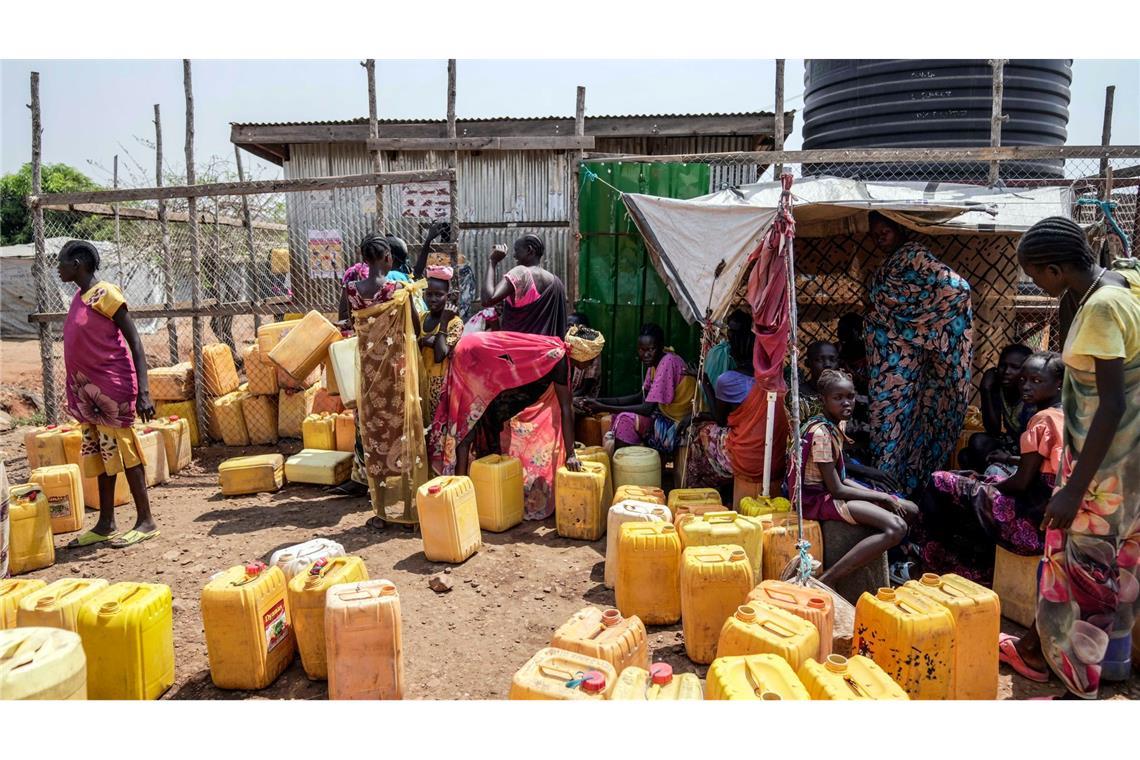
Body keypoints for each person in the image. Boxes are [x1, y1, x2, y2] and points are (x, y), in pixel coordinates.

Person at [1000, 217, 1139, 700]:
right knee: (1120, 568)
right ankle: (1113, 666)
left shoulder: (1100, 307)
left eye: (1036, 275)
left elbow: (1111, 404)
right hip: (1128, 464)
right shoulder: (1125, 281)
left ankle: (1077, 689)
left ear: (1056, 270)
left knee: (1084, 579)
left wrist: (1074, 490)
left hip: (1101, 474)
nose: (1036, 284)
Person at [916, 351, 1064, 584]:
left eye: (1036, 381)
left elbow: (1021, 483)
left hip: (1030, 519)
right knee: (965, 478)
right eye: (1023, 379)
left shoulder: (1043, 419)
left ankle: (932, 563)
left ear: (1059, 383)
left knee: (940, 481)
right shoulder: (1070, 416)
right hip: (1050, 512)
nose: (1026, 386)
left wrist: (987, 487)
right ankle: (973, 569)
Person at [56, 240, 158, 549]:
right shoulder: (79, 297)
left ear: (77, 264)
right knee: (102, 454)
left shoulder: (107, 294)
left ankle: (146, 521)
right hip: (89, 394)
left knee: (125, 453)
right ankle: (105, 523)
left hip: (112, 388)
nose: (58, 268)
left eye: (61, 262)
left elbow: (135, 342)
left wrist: (144, 391)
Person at [864, 211, 974, 496]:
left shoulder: (913, 256)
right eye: (874, 235)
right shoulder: (893, 262)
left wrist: (909, 324)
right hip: (889, 369)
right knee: (886, 424)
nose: (879, 238)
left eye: (884, 231)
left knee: (899, 426)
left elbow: (958, 289)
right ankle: (888, 493)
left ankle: (897, 494)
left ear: (900, 228)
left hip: (901, 366)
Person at [431, 331, 581, 521]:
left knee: (485, 427)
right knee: (467, 425)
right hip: (475, 355)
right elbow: (566, 408)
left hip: (486, 357)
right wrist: (571, 453)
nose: (591, 365)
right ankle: (459, 494)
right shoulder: (559, 360)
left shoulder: (553, 348)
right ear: (583, 357)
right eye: (591, 361)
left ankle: (482, 493)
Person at [793, 369, 918, 587]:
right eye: (838, 398)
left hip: (831, 491)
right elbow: (836, 489)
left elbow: (842, 478)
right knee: (897, 527)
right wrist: (881, 498)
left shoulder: (835, 425)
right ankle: (828, 579)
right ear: (823, 400)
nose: (846, 403)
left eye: (850, 397)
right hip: (816, 500)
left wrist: (879, 495)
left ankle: (877, 555)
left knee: (910, 509)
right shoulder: (821, 434)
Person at [343, 233, 429, 528]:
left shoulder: (352, 289)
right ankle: (409, 509)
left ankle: (381, 512)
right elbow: (415, 325)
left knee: (375, 433)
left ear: (364, 259)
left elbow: (351, 321)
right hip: (396, 370)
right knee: (403, 430)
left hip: (369, 373)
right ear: (388, 258)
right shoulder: (398, 290)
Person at [584, 323, 695, 457]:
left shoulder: (668, 362)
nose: (646, 354)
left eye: (651, 349)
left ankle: (625, 465)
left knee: (625, 420)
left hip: (678, 423)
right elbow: (640, 396)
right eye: (642, 350)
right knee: (617, 416)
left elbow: (647, 409)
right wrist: (599, 401)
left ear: (661, 346)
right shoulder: (654, 363)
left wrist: (602, 407)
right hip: (666, 417)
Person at [960, 343, 1034, 473]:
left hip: (1029, 451)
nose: (1006, 371)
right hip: (1011, 444)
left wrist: (1009, 457)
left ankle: (1001, 478)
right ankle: (992, 479)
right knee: (966, 454)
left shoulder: (1032, 395)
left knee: (977, 444)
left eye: (1014, 367)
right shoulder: (999, 389)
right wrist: (985, 390)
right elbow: (993, 430)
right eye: (1003, 365)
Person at [481, 234, 567, 338]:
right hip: (548, 346)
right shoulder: (556, 282)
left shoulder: (521, 273)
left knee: (470, 342)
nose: (514, 255)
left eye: (517, 250)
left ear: (529, 250)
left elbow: (487, 300)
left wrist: (492, 261)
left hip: (518, 346)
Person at [418, 266, 463, 429]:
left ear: (448, 296)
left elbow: (439, 355)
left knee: (437, 428)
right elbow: (414, 344)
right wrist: (424, 341)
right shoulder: (422, 317)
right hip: (420, 382)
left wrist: (443, 322)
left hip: (440, 386)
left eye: (439, 295)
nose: (433, 299)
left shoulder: (454, 323)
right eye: (429, 294)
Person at [701, 310, 750, 409]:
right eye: (730, 330)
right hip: (720, 407)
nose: (733, 335)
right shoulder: (719, 352)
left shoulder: (752, 351)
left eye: (738, 332)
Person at [566, 313, 603, 402]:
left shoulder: (591, 350)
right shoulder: (568, 345)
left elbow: (586, 388)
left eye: (570, 325)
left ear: (582, 328)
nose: (567, 328)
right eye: (566, 325)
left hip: (583, 397)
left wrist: (568, 398)